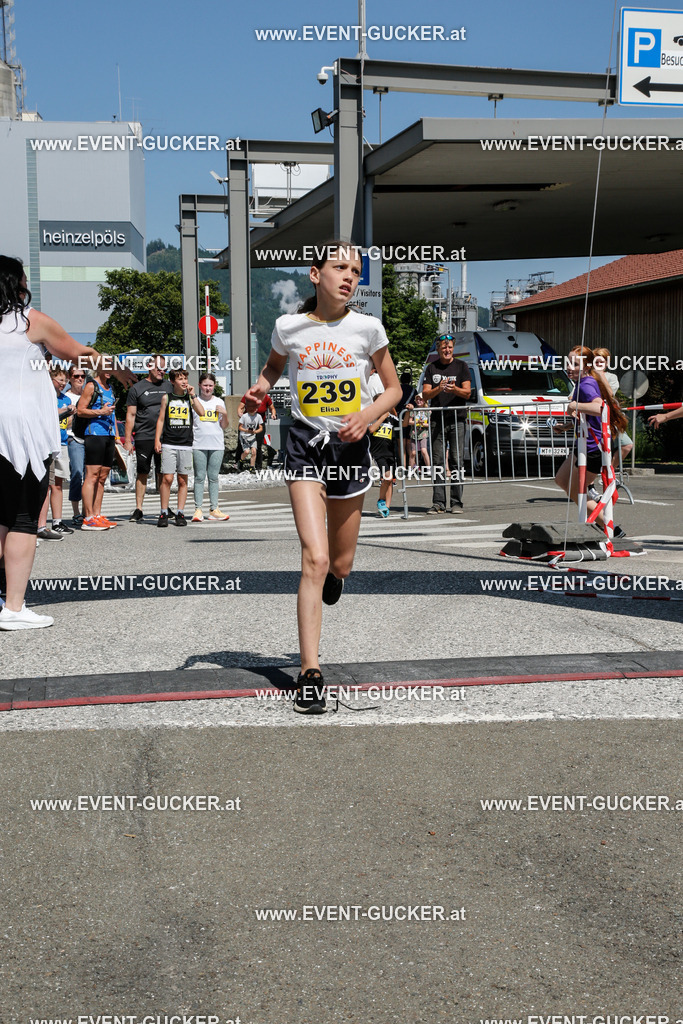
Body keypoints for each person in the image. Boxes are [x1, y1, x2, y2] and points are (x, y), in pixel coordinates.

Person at [245, 241, 401, 715]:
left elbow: (394, 388)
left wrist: (369, 415)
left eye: (355, 270)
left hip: (351, 449)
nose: (349, 276)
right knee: (313, 557)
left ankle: (337, 576)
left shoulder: (368, 328)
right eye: (340, 267)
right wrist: (261, 387)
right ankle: (309, 671)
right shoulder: (288, 327)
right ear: (315, 274)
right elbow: (274, 366)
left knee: (341, 564)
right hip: (305, 445)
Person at [0, 255, 132, 629]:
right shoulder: (29, 322)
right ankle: (13, 608)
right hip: (20, 434)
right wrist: (116, 368)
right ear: (15, 284)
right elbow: (80, 352)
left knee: (0, 516)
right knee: (23, 519)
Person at [553, 346, 629, 537]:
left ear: (586, 367)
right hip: (583, 444)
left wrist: (573, 405)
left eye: (575, 363)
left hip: (593, 447)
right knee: (562, 480)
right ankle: (605, 524)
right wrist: (567, 426)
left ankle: (609, 527)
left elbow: (599, 407)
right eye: (568, 362)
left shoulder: (586, 384)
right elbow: (587, 417)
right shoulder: (582, 382)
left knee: (575, 490)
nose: (569, 367)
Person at [422, 333, 471, 514]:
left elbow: (467, 393)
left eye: (449, 347)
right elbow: (425, 394)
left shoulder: (461, 366)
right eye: (443, 347)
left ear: (453, 348)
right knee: (438, 462)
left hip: (457, 419)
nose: (447, 350)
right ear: (438, 349)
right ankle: (438, 503)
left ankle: (456, 502)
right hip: (437, 420)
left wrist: (454, 389)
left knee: (457, 461)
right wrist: (439, 389)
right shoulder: (431, 368)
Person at [124, 355, 172, 523]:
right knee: (142, 472)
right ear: (149, 366)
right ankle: (139, 509)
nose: (162, 371)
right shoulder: (137, 388)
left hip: (165, 437)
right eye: (159, 368)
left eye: (164, 369)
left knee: (164, 473)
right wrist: (128, 440)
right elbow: (130, 415)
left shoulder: (169, 386)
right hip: (144, 436)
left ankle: (165, 508)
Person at [154, 368, 204, 527]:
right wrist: (157, 440)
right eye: (180, 379)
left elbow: (201, 412)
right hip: (169, 442)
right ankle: (163, 512)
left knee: (183, 480)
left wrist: (193, 395)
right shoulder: (166, 398)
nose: (184, 382)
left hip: (186, 444)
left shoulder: (190, 398)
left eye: (185, 379)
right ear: (173, 381)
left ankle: (180, 512)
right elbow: (161, 420)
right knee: (167, 478)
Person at [78, 364, 119, 531]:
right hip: (94, 434)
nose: (110, 370)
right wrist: (100, 412)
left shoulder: (110, 388)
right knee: (92, 475)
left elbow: (113, 413)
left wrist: (116, 436)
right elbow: (80, 410)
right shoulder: (91, 386)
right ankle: (87, 518)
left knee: (102, 477)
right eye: (106, 367)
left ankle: (96, 515)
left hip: (108, 435)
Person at [192, 372, 229, 522]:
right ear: (200, 385)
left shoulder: (219, 401)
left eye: (210, 385)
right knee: (199, 477)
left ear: (214, 386)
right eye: (205, 385)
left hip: (216, 444)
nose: (208, 388)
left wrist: (225, 414)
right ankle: (198, 509)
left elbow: (224, 425)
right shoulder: (194, 401)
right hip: (198, 444)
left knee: (213, 477)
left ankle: (214, 509)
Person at [46, 365, 75, 536]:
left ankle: (57, 521)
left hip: (62, 442)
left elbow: (68, 423)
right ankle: (40, 523)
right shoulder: (47, 397)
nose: (63, 383)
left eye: (65, 380)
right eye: (60, 380)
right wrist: (64, 410)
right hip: (48, 444)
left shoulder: (66, 399)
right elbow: (49, 413)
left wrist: (70, 415)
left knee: (58, 484)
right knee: (46, 485)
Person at [592, 347, 633, 465]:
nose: (599, 364)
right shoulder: (586, 377)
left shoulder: (611, 377)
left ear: (607, 363)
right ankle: (590, 480)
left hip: (610, 418)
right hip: (592, 418)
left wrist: (601, 375)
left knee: (626, 444)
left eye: (602, 362)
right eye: (596, 361)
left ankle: (609, 471)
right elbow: (572, 395)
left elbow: (610, 394)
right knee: (593, 450)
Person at [65, 364, 86, 524]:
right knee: (77, 473)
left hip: (91, 438)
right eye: (76, 376)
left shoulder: (89, 394)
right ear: (70, 378)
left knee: (91, 476)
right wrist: (77, 413)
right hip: (74, 438)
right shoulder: (67, 397)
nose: (80, 379)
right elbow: (63, 423)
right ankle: (76, 511)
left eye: (82, 376)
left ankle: (88, 511)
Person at [369, 403, 399, 518]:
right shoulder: (372, 417)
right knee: (387, 477)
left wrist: (408, 412)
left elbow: (403, 424)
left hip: (390, 454)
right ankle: (381, 500)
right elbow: (371, 429)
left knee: (390, 480)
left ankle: (387, 506)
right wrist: (382, 417)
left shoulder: (391, 418)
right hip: (378, 454)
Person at [405, 392, 430, 469]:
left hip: (423, 433)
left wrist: (422, 424)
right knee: (413, 452)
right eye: (417, 399)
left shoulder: (428, 411)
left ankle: (429, 468)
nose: (419, 401)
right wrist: (417, 422)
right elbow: (409, 422)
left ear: (424, 401)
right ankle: (411, 469)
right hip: (414, 433)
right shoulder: (414, 410)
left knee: (423, 450)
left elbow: (429, 424)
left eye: (421, 399)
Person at [238, 398, 263, 470]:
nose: (254, 409)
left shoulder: (258, 416)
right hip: (244, 436)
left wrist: (256, 431)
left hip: (253, 436)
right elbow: (240, 427)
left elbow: (261, 427)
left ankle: (252, 467)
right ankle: (241, 461)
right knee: (246, 451)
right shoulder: (244, 416)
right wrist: (247, 431)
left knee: (254, 451)